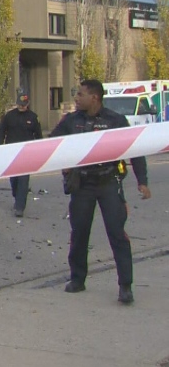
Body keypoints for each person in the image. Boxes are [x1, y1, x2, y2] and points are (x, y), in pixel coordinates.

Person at [50, 79, 152, 304]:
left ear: (94, 97)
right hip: (82, 185)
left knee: (117, 234)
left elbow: (136, 149)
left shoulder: (115, 120)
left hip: (108, 183)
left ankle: (125, 285)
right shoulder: (71, 121)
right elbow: (51, 143)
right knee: (79, 233)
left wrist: (141, 181)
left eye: (80, 94)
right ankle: (77, 279)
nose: (76, 98)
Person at [0, 92, 43, 217]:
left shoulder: (33, 117)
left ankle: (20, 207)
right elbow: (1, 131)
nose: (21, 106)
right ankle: (17, 196)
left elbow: (38, 135)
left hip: (26, 154)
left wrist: (39, 150)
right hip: (11, 152)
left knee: (23, 180)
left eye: (24, 104)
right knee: (14, 179)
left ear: (28, 104)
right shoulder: (9, 116)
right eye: (20, 104)